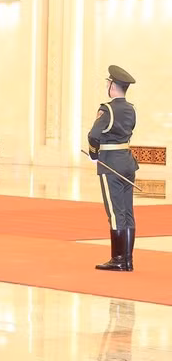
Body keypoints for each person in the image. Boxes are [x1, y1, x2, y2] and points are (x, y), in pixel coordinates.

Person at [87, 65, 137, 272]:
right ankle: (127, 260)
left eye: (108, 83)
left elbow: (93, 135)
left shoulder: (107, 109)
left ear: (113, 86)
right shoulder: (130, 108)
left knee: (116, 214)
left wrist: (93, 154)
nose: (107, 86)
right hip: (127, 162)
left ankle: (118, 259)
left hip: (111, 165)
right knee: (127, 212)